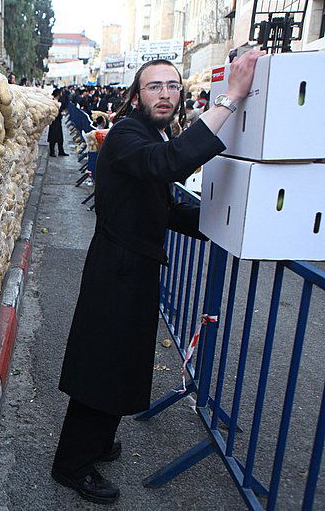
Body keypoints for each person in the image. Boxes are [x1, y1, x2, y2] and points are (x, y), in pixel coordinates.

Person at [50, 50, 265, 505]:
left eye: (172, 86)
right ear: (136, 96)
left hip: (135, 268)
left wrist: (221, 222)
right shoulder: (129, 134)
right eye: (155, 86)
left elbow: (163, 204)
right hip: (117, 270)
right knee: (102, 368)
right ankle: (72, 464)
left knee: (120, 364)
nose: (165, 94)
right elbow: (167, 166)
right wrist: (232, 98)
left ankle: (98, 441)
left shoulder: (147, 134)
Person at [47, 88, 68, 157]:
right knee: (53, 137)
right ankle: (52, 151)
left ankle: (61, 151)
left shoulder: (59, 101)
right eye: (60, 93)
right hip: (53, 121)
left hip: (58, 121)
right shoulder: (53, 101)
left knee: (60, 137)